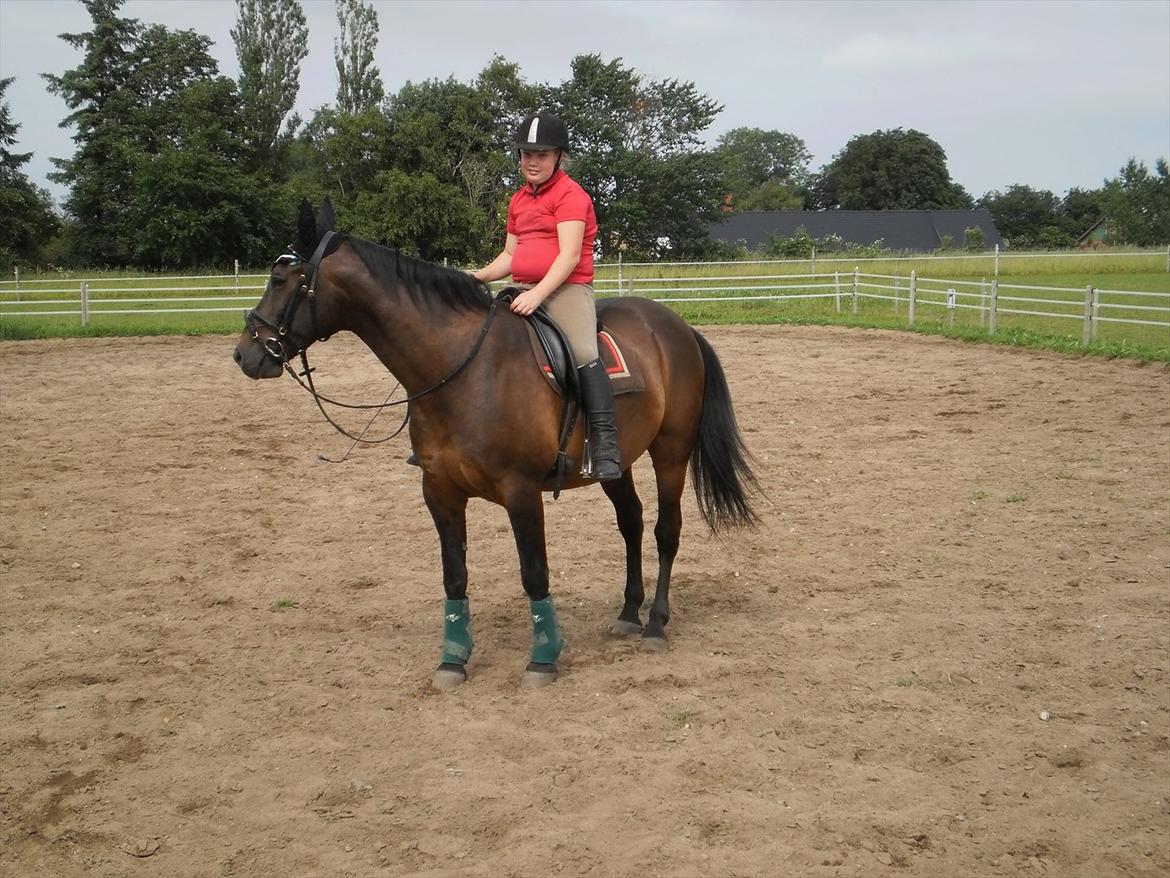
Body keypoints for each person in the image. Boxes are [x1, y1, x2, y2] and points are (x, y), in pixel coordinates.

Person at [411, 111, 621, 481]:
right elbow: (510, 256)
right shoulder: (518, 201)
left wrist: (538, 295)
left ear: (559, 156)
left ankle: (604, 443)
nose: (531, 161)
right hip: (523, 288)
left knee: (585, 352)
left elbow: (569, 255)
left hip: (566, 289)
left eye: (540, 154)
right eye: (525, 153)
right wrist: (474, 276)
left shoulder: (571, 196)